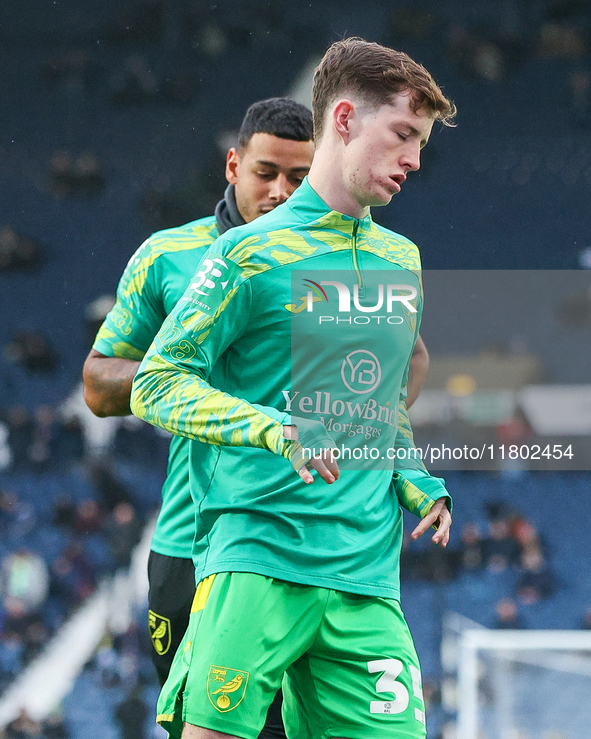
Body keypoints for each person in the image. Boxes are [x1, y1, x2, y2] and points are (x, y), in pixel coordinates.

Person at [131, 38, 455, 739]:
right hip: (258, 562)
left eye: (421, 142)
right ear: (342, 119)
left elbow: (374, 406)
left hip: (366, 575)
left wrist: (414, 478)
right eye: (402, 134)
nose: (414, 159)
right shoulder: (246, 254)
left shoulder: (400, 259)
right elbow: (155, 383)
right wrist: (275, 428)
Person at [83, 98, 314, 739]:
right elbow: (99, 384)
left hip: (308, 543)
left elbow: (410, 363)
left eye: (299, 178)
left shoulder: (346, 260)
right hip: (194, 547)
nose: (280, 191)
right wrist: (199, 384)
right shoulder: (170, 256)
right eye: (266, 172)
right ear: (233, 166)